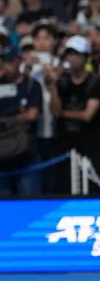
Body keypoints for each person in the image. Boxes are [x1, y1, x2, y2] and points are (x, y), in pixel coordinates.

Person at [0, 45, 42, 196]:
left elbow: (33, 115)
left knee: (29, 201)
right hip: (0, 152)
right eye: (4, 61)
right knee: (0, 203)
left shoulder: (31, 85)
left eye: (10, 61)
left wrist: (7, 120)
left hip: (25, 152)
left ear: (19, 61)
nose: (7, 65)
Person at [48, 34, 100, 189]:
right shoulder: (62, 81)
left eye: (77, 54)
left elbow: (87, 115)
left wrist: (62, 113)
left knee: (91, 187)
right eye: (70, 54)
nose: (73, 58)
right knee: (64, 185)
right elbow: (54, 110)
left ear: (85, 57)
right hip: (65, 144)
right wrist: (52, 86)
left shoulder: (95, 82)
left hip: (90, 144)